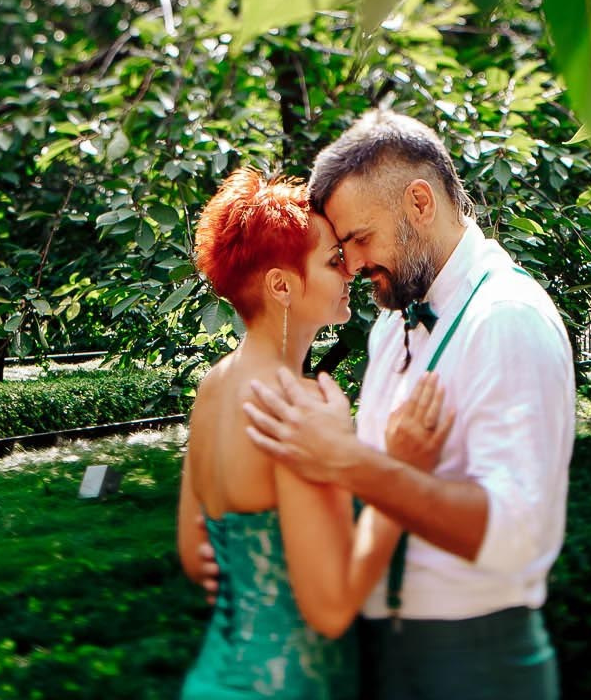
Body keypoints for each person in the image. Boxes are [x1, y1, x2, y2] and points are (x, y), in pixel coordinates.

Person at [243, 112, 577, 700]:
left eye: (360, 239)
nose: (352, 265)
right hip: (391, 653)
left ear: (420, 203)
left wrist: (348, 461)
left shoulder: (506, 319)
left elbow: (514, 536)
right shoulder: (391, 324)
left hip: (472, 661)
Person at [179, 167, 458, 700]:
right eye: (333, 260)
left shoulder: (214, 386)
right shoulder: (298, 406)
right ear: (281, 286)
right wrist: (399, 476)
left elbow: (197, 556)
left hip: (212, 681)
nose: (351, 268)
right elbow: (330, 610)